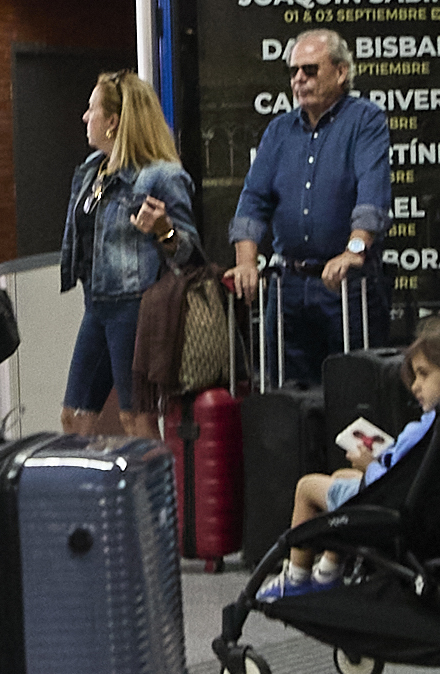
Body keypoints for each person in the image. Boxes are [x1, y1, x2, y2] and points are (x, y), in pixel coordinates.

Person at [227, 27, 392, 382]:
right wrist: (245, 263)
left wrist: (354, 249)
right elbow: (253, 198)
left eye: (310, 70)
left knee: (356, 392)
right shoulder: (279, 131)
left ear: (341, 72)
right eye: (293, 71)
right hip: (288, 284)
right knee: (285, 397)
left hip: (346, 285)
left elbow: (372, 193)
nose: (299, 79)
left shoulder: (365, 120)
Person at [256, 317, 440, 599]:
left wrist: (369, 465)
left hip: (393, 505)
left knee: (307, 487)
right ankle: (328, 569)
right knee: (340, 477)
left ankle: (296, 577)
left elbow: (391, 479)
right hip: (423, 501)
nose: (415, 387)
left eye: (423, 375)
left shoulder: (422, 429)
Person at [57, 70, 201, 436]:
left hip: (135, 308)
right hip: (96, 304)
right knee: (74, 417)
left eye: (92, 110)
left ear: (114, 122)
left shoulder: (161, 176)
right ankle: (86, 492)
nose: (85, 117)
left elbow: (191, 257)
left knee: (136, 420)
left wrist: (164, 230)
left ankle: (159, 492)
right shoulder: (92, 172)